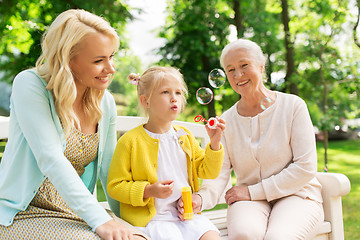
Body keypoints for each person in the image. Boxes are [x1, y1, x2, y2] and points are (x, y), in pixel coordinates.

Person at [0, 9, 148, 240]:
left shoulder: (104, 101)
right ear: (67, 59)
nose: (110, 68)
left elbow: (110, 170)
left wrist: (128, 220)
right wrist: (100, 221)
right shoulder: (30, 85)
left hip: (76, 210)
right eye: (99, 60)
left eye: (111, 56)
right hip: (24, 212)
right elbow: (50, 158)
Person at [187, 39, 324, 240]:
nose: (238, 75)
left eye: (244, 65)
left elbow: (305, 167)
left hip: (297, 194)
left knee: (278, 237)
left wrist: (253, 191)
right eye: (230, 69)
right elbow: (219, 174)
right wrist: (201, 198)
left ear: (261, 66)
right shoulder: (226, 121)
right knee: (244, 235)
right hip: (249, 201)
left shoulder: (293, 106)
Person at [107, 66, 225, 240]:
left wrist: (214, 144)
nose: (174, 98)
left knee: (212, 237)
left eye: (178, 93)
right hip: (154, 220)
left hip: (187, 217)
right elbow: (115, 186)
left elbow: (208, 172)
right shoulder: (130, 141)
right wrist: (148, 190)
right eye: (165, 92)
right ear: (146, 101)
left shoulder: (185, 136)